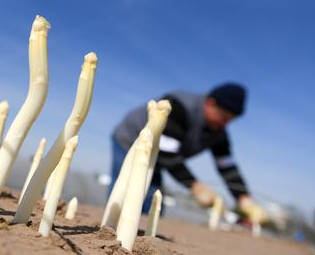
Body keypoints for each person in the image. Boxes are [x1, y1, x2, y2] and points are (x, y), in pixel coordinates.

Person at [110, 82, 266, 224]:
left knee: (152, 202)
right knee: (127, 192)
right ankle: (110, 231)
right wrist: (195, 186)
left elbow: (227, 166)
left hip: (157, 157)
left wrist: (244, 198)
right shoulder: (178, 105)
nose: (224, 124)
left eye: (230, 121)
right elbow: (167, 152)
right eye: (223, 117)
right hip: (129, 142)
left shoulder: (219, 133)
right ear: (211, 103)